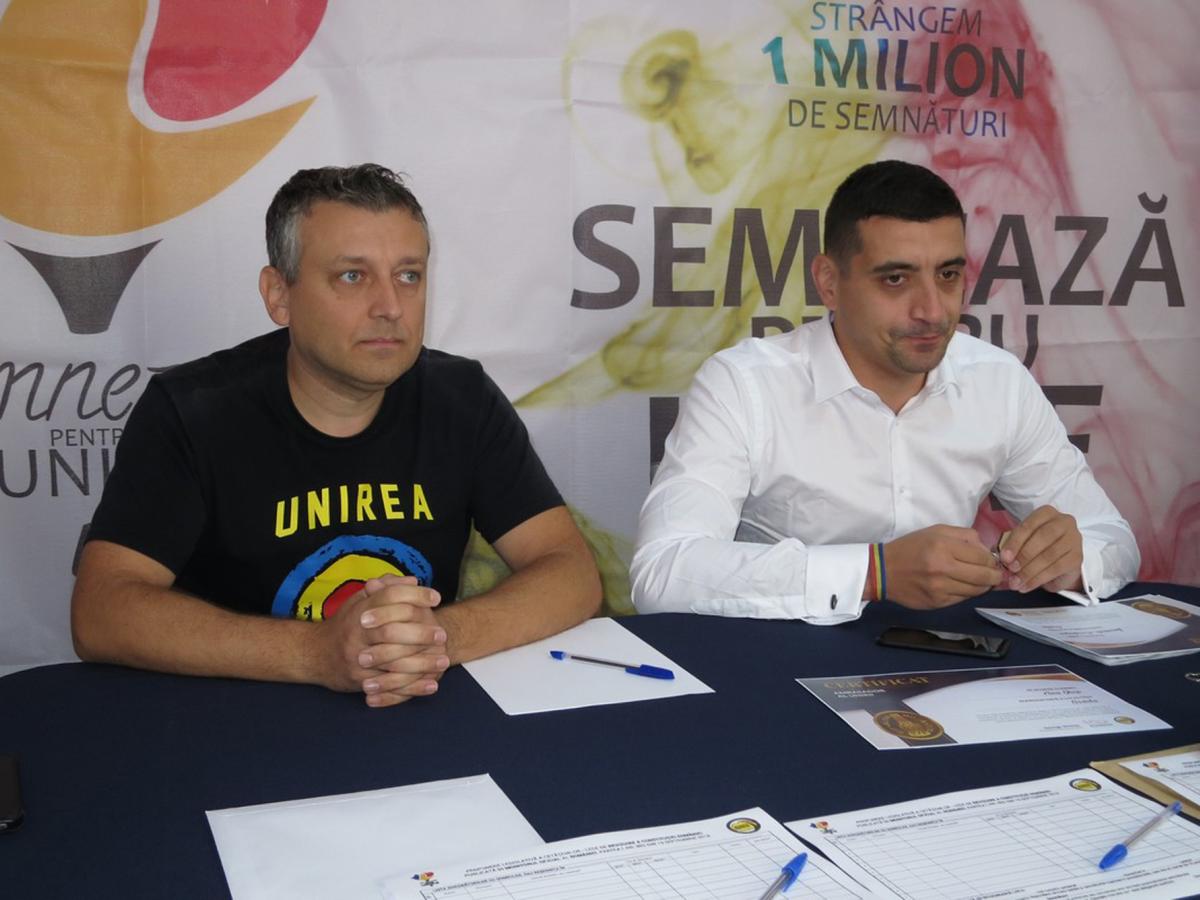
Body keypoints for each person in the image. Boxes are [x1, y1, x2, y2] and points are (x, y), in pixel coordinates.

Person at [72, 164, 601, 705]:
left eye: (409, 276)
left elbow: (571, 573)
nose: (390, 307)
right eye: (352, 276)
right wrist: (316, 653)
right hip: (234, 717)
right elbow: (101, 612)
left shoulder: (462, 398)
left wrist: (437, 639)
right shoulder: (191, 410)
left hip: (412, 704)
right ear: (279, 295)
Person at [631, 160, 1139, 623]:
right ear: (829, 283)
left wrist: (1073, 561)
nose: (933, 310)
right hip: (779, 664)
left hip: (954, 665)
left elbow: (1112, 540)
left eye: (948, 275)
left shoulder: (998, 381)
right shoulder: (744, 385)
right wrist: (874, 572)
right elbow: (663, 572)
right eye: (896, 279)